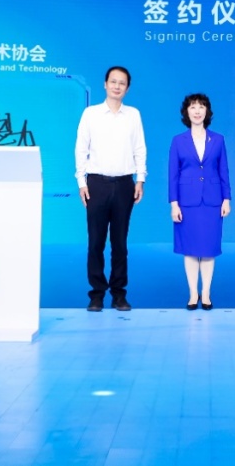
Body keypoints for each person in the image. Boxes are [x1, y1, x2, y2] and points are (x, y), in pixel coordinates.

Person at [75, 66, 146, 312]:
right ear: (105, 84)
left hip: (125, 184)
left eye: (122, 83)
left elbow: (139, 148)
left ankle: (119, 294)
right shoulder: (91, 114)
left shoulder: (133, 115)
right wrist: (82, 182)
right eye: (113, 81)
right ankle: (96, 295)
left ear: (127, 88)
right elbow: (81, 148)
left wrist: (140, 179)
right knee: (95, 242)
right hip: (96, 183)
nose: (117, 86)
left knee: (120, 243)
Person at [168, 93, 231, 311]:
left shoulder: (218, 139)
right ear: (186, 112)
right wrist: (174, 203)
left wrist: (227, 199)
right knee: (190, 249)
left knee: (209, 248)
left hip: (212, 201)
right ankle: (193, 294)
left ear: (207, 111)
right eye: (193, 107)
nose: (197, 111)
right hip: (187, 202)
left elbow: (224, 171)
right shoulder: (178, 141)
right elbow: (173, 175)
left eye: (201, 107)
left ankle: (206, 293)